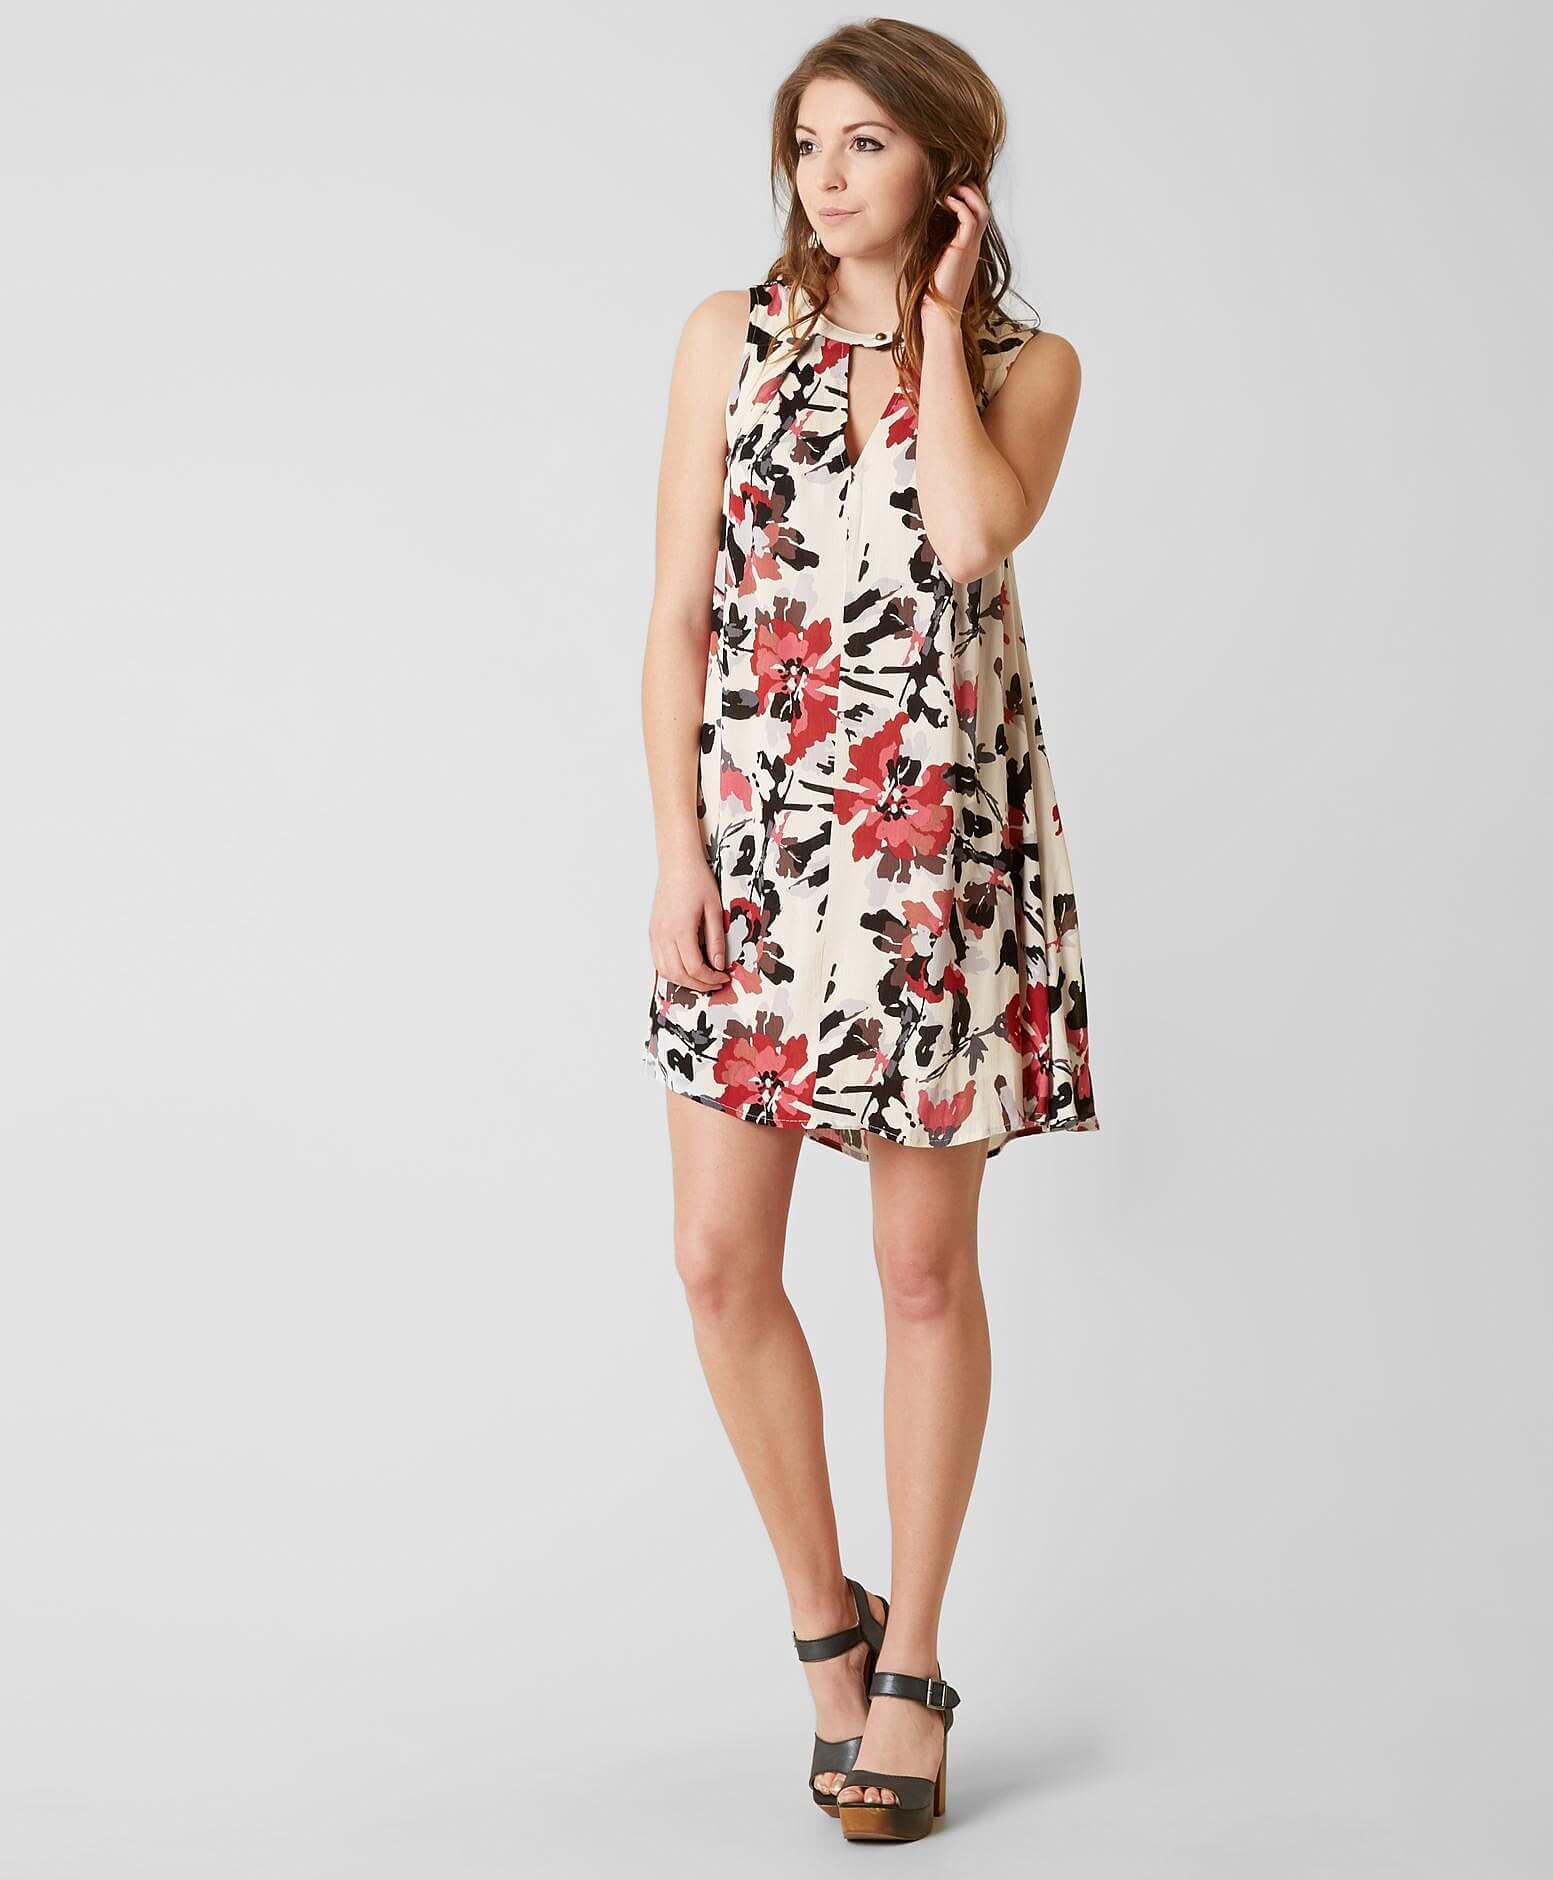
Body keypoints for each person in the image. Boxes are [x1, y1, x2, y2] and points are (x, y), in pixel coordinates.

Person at [630, 17, 1094, 1848]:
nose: (826, 177)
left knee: (917, 1275)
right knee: (717, 1262)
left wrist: (933, 330)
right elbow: (678, 617)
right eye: (807, 144)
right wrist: (677, 852)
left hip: (929, 863)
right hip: (756, 851)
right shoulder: (725, 339)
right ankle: (829, 1631)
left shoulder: (1027, 368)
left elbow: (969, 538)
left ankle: (914, 1671)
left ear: (947, 170)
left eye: (868, 145)